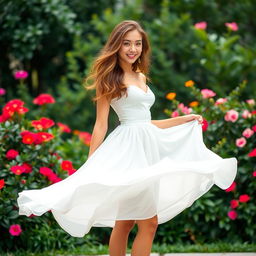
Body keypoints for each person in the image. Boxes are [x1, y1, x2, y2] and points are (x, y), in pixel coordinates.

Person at [17, 20, 237, 256]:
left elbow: (145, 122)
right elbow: (101, 124)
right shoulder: (109, 78)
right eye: (127, 44)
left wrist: (184, 118)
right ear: (117, 46)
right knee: (144, 223)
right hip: (127, 152)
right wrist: (91, 163)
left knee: (127, 222)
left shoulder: (141, 76)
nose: (133, 49)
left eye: (138, 44)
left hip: (147, 148)